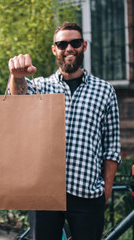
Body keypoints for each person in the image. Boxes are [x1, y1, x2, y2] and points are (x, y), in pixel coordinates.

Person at [8, 22, 121, 240]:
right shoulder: (40, 87)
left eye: (75, 43)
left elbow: (112, 147)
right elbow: (17, 101)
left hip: (87, 193)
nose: (69, 48)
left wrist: (104, 193)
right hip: (44, 193)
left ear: (84, 46)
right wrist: (17, 76)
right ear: (54, 49)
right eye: (62, 44)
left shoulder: (105, 91)